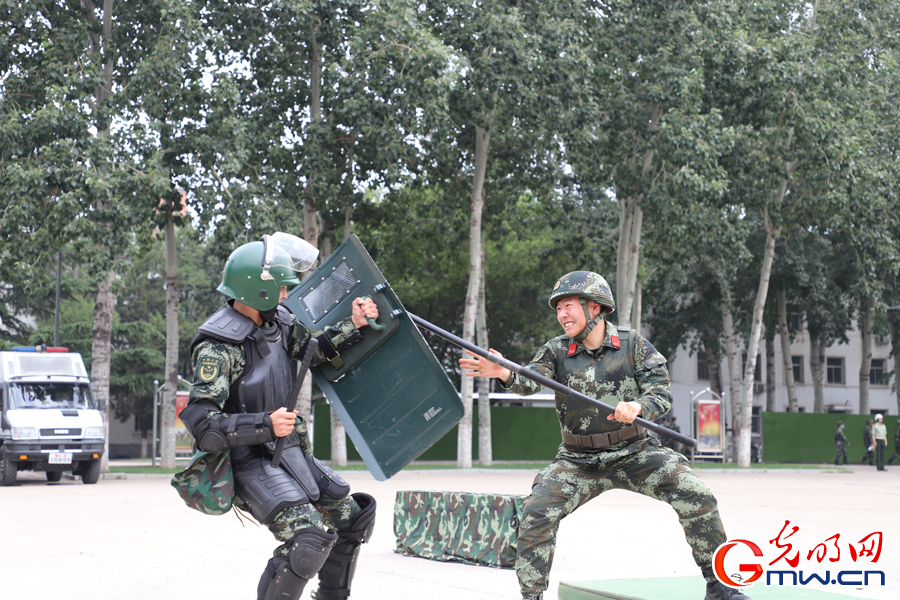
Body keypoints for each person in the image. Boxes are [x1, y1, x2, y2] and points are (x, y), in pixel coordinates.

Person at [459, 271, 750, 600]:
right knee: (536, 512)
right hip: (578, 460)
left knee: (697, 494)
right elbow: (529, 380)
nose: (561, 315)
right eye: (558, 309)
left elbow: (661, 395)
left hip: (635, 452)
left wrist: (638, 406)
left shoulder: (632, 345)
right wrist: (504, 371)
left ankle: (720, 587)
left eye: (568, 305)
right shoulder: (556, 350)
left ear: (594, 307)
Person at [180, 233, 379, 600]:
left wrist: (355, 324)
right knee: (308, 540)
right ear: (258, 289)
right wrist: (264, 424)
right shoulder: (218, 345)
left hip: (288, 451)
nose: (287, 294)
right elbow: (203, 424)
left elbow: (314, 351)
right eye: (282, 288)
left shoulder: (280, 322)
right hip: (248, 462)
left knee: (353, 519)